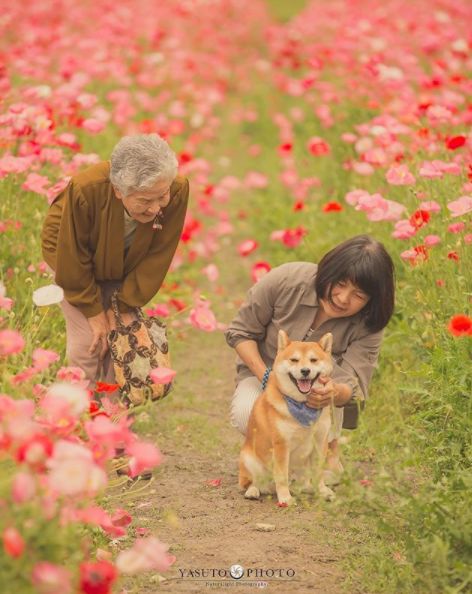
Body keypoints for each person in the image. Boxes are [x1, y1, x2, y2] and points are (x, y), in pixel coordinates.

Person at [224, 235, 395, 482]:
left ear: (371, 300)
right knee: (245, 414)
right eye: (341, 283)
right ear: (328, 270)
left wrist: (333, 392)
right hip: (261, 378)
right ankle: (272, 454)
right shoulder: (286, 280)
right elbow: (241, 332)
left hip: (321, 397)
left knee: (330, 382)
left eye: (358, 295)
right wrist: (266, 375)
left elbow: (354, 385)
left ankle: (326, 448)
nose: (343, 298)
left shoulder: (370, 324)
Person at [41, 133, 189, 389]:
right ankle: (74, 420)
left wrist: (120, 306)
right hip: (71, 262)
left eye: (161, 196)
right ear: (118, 191)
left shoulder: (176, 188)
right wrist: (93, 310)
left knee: (123, 340)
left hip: (124, 265)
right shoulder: (87, 189)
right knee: (88, 344)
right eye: (145, 200)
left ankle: (112, 420)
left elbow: (158, 255)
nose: (156, 209)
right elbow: (73, 256)